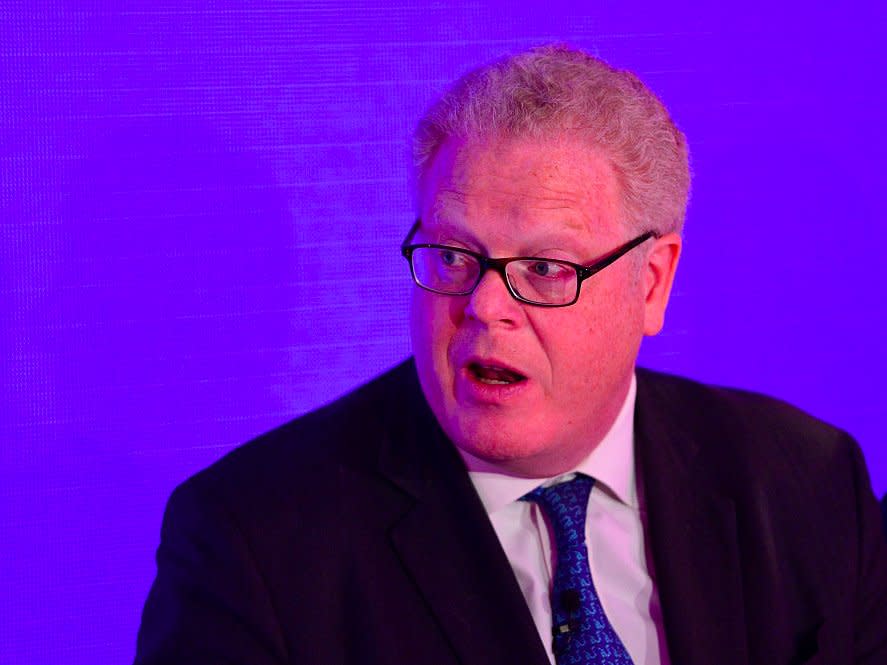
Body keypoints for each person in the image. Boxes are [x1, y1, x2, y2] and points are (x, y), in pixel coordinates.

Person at [134, 45, 887, 665]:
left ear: (650, 283)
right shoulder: (251, 540)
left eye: (545, 269)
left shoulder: (807, 483)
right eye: (454, 257)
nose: (484, 307)